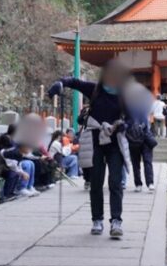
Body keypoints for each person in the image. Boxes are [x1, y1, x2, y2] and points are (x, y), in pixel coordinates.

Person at [49, 59, 133, 239]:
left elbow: (131, 118)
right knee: (96, 182)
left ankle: (116, 221)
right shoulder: (95, 89)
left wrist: (122, 125)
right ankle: (97, 219)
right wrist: (60, 83)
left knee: (115, 182)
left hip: (114, 140)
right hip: (95, 141)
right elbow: (74, 82)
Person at [126, 110, 156, 192]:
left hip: (140, 140)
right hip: (136, 139)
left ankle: (145, 183)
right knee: (140, 163)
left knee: (143, 162)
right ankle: (143, 183)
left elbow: (146, 124)